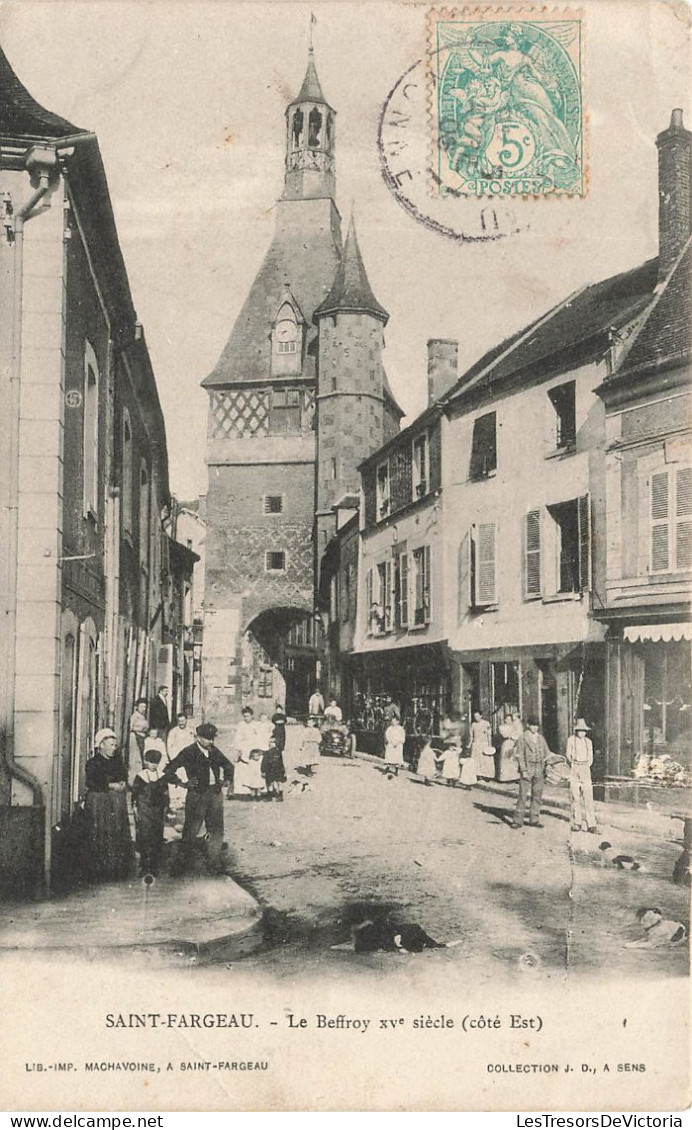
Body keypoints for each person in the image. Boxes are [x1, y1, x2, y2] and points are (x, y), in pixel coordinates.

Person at [162, 722, 233, 874]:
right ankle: (181, 866)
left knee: (216, 829)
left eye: (212, 738)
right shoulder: (189, 752)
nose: (211, 742)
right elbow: (168, 770)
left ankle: (214, 863)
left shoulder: (214, 750)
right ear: (198, 737)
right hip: (197, 795)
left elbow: (228, 765)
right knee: (191, 830)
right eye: (207, 738)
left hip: (214, 794)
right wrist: (183, 783)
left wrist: (226, 779)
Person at [83, 728, 134, 882]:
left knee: (117, 833)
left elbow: (123, 775)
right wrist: (110, 785)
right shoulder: (93, 763)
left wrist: (123, 783)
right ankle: (99, 871)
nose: (114, 748)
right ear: (101, 745)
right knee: (100, 834)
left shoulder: (117, 762)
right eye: (111, 745)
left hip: (115, 803)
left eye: (115, 745)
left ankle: (116, 870)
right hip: (99, 803)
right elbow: (92, 782)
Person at [131, 748, 169, 876]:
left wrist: (166, 807)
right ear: (146, 762)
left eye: (156, 763)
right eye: (151, 762)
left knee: (157, 836)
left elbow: (165, 794)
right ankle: (144, 866)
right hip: (144, 810)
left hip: (157, 811)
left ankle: (154, 866)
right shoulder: (140, 777)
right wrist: (135, 808)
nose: (154, 765)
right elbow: (135, 795)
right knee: (144, 836)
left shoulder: (162, 777)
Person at [512, 715, 551, 829]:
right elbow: (520, 756)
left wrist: (548, 765)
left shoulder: (541, 738)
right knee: (522, 796)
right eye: (532, 725)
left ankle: (534, 818)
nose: (535, 728)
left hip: (539, 769)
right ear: (528, 725)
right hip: (527, 769)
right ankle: (518, 820)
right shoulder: (522, 738)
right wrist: (523, 770)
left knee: (537, 795)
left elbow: (546, 753)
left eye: (536, 726)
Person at [565, 719, 598, 833]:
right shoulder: (571, 740)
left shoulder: (588, 742)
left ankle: (591, 824)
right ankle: (577, 823)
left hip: (585, 769)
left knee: (588, 797)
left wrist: (585, 766)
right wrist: (574, 764)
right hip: (575, 768)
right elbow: (568, 754)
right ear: (576, 731)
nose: (582, 733)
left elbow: (590, 757)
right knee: (575, 797)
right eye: (580, 731)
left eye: (584, 731)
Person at [232, 705, 261, 796]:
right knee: (243, 767)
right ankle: (243, 790)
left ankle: (256, 788)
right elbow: (237, 738)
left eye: (248, 716)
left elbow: (260, 736)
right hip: (244, 748)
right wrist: (238, 749)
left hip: (253, 747)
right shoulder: (241, 725)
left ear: (252, 716)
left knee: (254, 767)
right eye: (244, 716)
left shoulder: (256, 724)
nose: (246, 718)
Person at [128, 698, 149, 786]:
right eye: (141, 706)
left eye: (145, 707)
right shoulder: (134, 716)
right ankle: (133, 782)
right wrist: (140, 729)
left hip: (142, 738)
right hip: (135, 738)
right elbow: (131, 727)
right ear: (137, 707)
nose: (143, 709)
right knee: (135, 760)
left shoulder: (143, 717)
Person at [468, 710, 495, 781]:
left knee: (485, 760)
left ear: (481, 716)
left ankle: (486, 776)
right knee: (476, 760)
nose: (476, 718)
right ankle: (477, 775)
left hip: (484, 744)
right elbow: (471, 736)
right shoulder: (473, 724)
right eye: (475, 716)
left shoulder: (486, 723)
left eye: (477, 716)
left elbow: (489, 735)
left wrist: (490, 745)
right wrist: (470, 744)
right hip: (476, 744)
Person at [262, 736, 287, 802]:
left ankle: (280, 795)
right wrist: (263, 770)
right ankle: (269, 795)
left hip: (278, 770)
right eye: (270, 742)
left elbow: (281, 762)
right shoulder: (267, 753)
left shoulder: (278, 753)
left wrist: (283, 770)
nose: (271, 744)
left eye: (273, 742)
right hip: (269, 770)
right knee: (270, 783)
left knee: (279, 782)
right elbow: (264, 762)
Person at [498, 713, 521, 783]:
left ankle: (514, 777)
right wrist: (511, 735)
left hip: (513, 743)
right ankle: (505, 778)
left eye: (510, 719)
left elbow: (518, 734)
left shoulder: (514, 726)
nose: (508, 721)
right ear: (505, 720)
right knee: (505, 760)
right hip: (506, 744)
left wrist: (514, 737)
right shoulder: (502, 727)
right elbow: (504, 735)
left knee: (513, 760)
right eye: (507, 719)